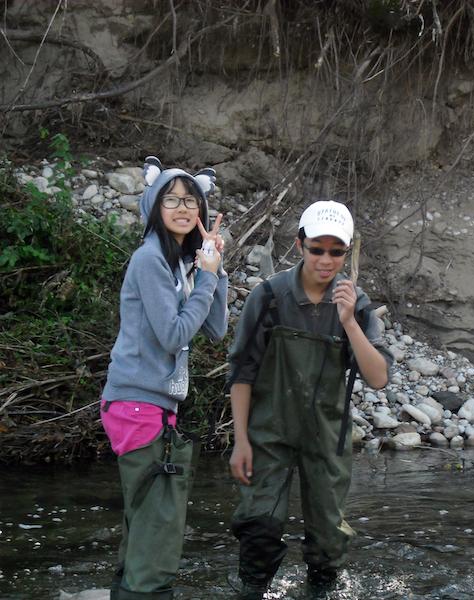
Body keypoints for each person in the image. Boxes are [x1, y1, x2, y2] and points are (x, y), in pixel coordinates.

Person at [226, 200, 392, 599]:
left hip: (327, 439)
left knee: (328, 541)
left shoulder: (359, 304)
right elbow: (241, 372)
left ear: (347, 254)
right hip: (268, 434)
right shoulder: (268, 297)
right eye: (317, 248)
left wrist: (349, 321)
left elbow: (379, 377)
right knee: (260, 526)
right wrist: (241, 441)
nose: (325, 259)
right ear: (300, 244)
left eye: (336, 251)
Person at [100, 156, 229, 600]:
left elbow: (215, 328)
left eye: (190, 201)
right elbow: (174, 335)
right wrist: (206, 279)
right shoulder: (149, 259)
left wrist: (214, 268)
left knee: (145, 526)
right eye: (171, 199)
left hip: (151, 406)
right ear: (155, 206)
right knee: (157, 529)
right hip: (137, 403)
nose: (182, 207)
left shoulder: (176, 263)